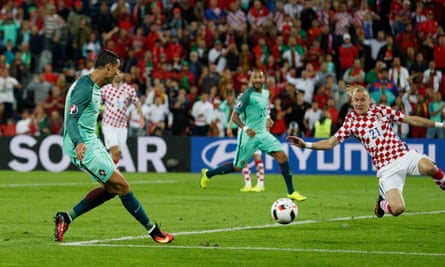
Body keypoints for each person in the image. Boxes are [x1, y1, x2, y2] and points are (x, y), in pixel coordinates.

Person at [54, 50, 173, 244]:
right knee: (123, 185)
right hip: (82, 144)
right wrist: (79, 142)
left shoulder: (92, 86)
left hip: (91, 140)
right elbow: (71, 120)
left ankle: (66, 218)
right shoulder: (84, 88)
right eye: (116, 70)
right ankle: (154, 231)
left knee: (112, 189)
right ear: (108, 67)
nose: (118, 74)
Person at [288, 86, 445, 218]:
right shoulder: (351, 123)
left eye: (363, 100)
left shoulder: (382, 110)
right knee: (398, 209)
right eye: (356, 100)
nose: (359, 103)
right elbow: (330, 143)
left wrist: (440, 125)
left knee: (430, 167)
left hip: (404, 155)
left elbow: (411, 120)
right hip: (386, 168)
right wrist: (305, 145)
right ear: (352, 102)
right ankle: (382, 204)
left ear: (369, 100)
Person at [200, 69, 306, 202]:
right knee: (237, 167)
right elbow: (234, 116)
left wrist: (267, 118)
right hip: (248, 136)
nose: (257, 80)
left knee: (283, 156)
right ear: (251, 80)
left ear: (264, 80)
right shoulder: (247, 96)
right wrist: (245, 128)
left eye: (259, 78)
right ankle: (208, 174)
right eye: (254, 78)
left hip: (262, 134)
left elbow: (264, 108)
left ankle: (291, 192)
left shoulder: (266, 93)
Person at [101, 71, 145, 165]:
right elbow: (96, 103)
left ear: (123, 75)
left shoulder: (129, 89)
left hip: (122, 125)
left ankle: (105, 169)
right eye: (115, 73)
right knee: (115, 152)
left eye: (120, 72)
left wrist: (141, 117)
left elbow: (137, 103)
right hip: (109, 124)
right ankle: (109, 174)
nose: (117, 74)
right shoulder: (105, 89)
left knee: (118, 154)